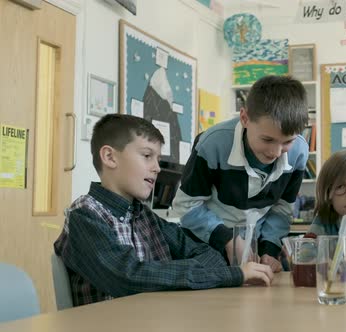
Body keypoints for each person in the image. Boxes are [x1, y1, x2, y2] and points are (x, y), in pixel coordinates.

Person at [54, 114, 273, 307]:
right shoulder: (84, 215)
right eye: (147, 156)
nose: (157, 167)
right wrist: (231, 274)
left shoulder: (144, 216)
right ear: (110, 157)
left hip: (157, 319)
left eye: (158, 159)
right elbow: (129, 277)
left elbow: (209, 256)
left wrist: (163, 274)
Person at [173, 75, 309, 272]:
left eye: (287, 142)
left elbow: (282, 209)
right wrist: (227, 239)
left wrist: (269, 249)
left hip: (257, 247)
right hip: (206, 244)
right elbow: (185, 206)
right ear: (244, 118)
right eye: (267, 139)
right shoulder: (212, 143)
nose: (276, 152)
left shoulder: (299, 152)